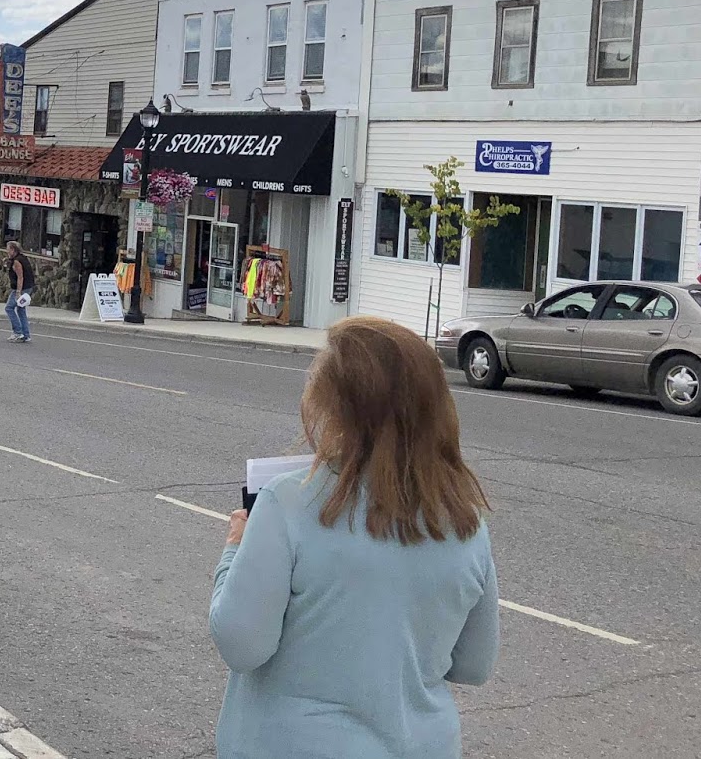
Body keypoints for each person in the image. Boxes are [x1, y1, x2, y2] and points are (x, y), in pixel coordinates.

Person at [208, 316, 499, 759]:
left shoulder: (290, 503)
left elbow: (242, 643)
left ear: (334, 408)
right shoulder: (463, 521)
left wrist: (234, 550)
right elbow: (474, 664)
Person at [3, 239, 35, 343]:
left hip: (22, 288)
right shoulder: (22, 258)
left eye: (8, 250)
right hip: (28, 286)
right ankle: (26, 334)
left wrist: (18, 292)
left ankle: (17, 332)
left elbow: (20, 277)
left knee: (9, 308)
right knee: (21, 310)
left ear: (13, 250)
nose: (7, 252)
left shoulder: (17, 261)